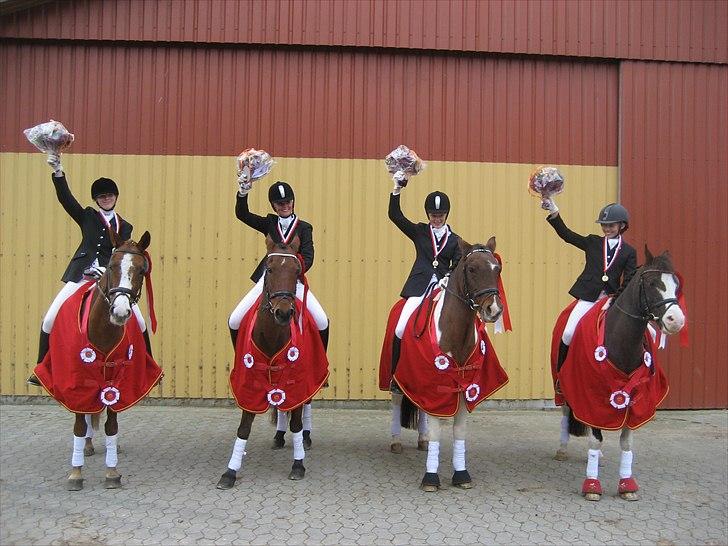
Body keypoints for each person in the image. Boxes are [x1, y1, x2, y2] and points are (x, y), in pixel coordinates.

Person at [28, 153, 151, 386]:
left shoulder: (125, 226)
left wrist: (105, 271)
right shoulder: (87, 217)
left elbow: (122, 255)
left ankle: (148, 367)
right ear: (96, 199)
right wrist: (57, 171)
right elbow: (66, 199)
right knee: (50, 318)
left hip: (109, 281)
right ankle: (42, 370)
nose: (106, 199)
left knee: (140, 321)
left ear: (115, 197)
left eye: (110, 195)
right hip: (81, 275)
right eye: (102, 196)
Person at [229, 180, 329, 449]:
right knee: (235, 318)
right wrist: (243, 189)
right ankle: (244, 358)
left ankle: (320, 365)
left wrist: (292, 264)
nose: (284, 206)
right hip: (267, 280)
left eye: (287, 202)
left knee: (321, 320)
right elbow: (242, 214)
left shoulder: (304, 228)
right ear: (273, 205)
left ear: (293, 202)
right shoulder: (269, 223)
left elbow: (309, 255)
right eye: (279, 203)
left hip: (292, 281)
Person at [387, 178, 463, 447]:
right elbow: (394, 215)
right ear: (428, 215)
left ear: (446, 215)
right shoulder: (419, 232)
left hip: (442, 291)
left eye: (440, 215)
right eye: (433, 215)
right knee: (400, 326)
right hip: (419, 287)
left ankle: (425, 428)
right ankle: (397, 377)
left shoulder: (455, 241)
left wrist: (447, 279)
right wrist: (397, 188)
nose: (436, 219)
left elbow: (457, 267)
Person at [542, 198, 637, 360]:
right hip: (588, 297)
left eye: (611, 225)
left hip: (610, 299)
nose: (606, 228)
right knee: (568, 332)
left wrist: (616, 298)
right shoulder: (593, 242)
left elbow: (629, 279)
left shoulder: (629, 251)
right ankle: (561, 374)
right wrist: (553, 211)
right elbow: (567, 235)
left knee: (642, 332)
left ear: (622, 226)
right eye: (604, 225)